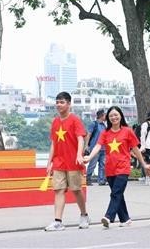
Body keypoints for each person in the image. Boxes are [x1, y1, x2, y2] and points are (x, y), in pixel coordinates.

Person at [84, 106, 148, 228]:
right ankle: (125, 219)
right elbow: (97, 146)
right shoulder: (105, 133)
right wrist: (89, 157)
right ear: (108, 118)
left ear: (120, 116)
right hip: (110, 169)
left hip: (123, 167)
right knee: (117, 194)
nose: (114, 117)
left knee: (116, 193)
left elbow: (135, 149)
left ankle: (109, 216)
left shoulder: (127, 131)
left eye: (116, 115)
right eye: (111, 116)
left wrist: (144, 164)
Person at [44, 92, 90, 231]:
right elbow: (53, 143)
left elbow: (81, 138)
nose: (59, 105)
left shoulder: (75, 120)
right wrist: (49, 162)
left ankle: (84, 215)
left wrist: (79, 155)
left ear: (69, 104)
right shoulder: (55, 121)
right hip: (59, 162)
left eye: (62, 102)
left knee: (76, 190)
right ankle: (58, 221)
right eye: (57, 102)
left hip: (73, 162)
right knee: (58, 190)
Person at [85, 109, 107, 185]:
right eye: (105, 115)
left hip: (104, 148)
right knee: (92, 164)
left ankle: (101, 180)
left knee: (102, 164)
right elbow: (89, 135)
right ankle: (88, 179)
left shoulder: (104, 125)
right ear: (101, 115)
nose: (106, 116)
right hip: (95, 147)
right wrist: (86, 146)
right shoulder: (94, 124)